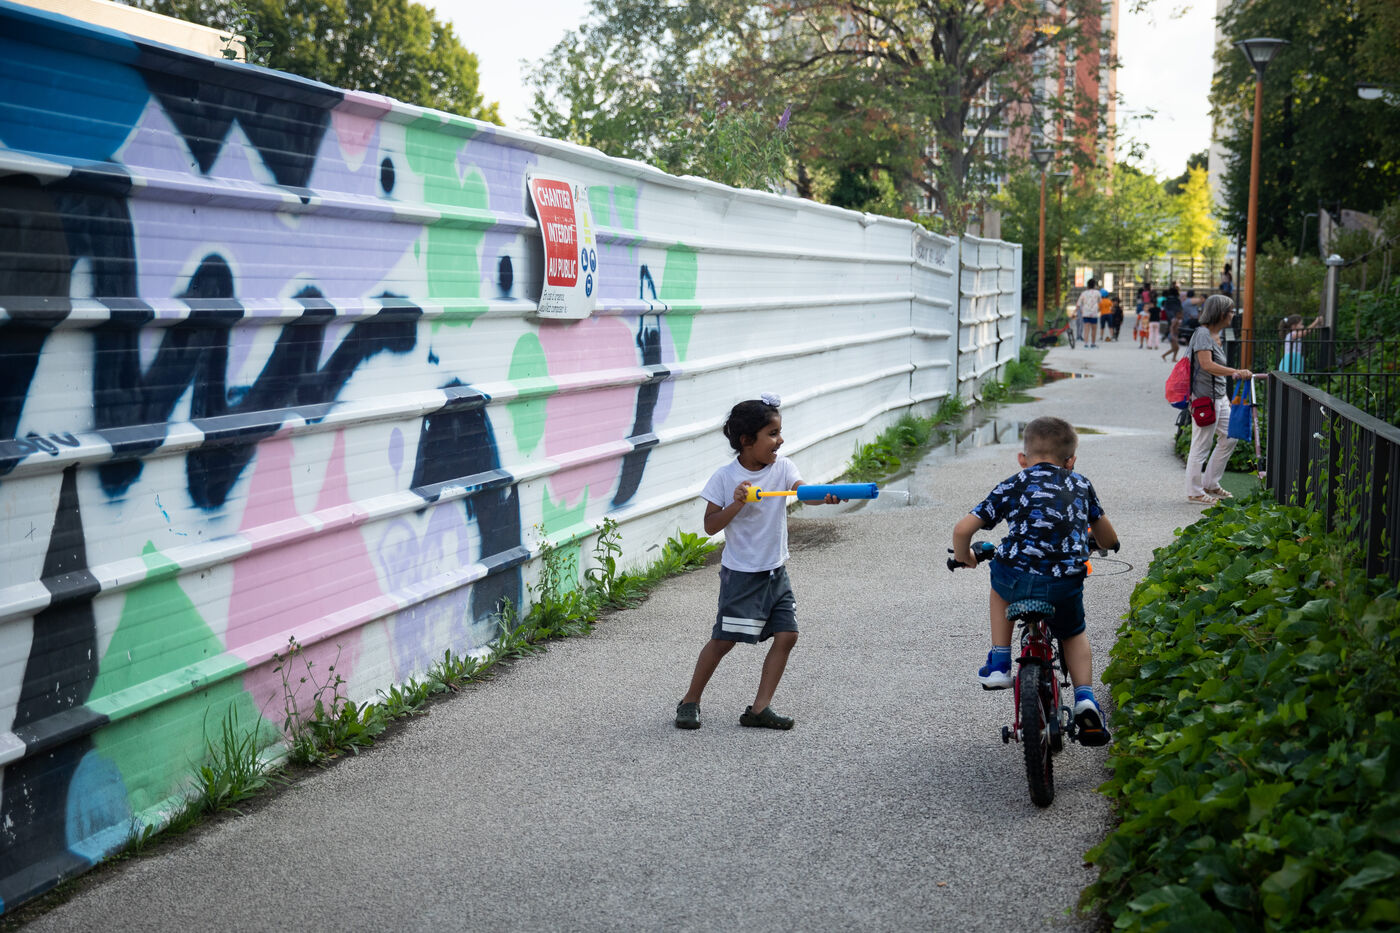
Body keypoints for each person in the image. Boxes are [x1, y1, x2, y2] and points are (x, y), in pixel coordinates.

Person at [675, 393, 840, 730]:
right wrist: (737, 503)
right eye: (772, 434)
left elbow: (803, 492)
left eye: (779, 432)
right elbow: (710, 526)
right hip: (742, 576)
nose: (780, 440)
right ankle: (690, 700)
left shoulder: (783, 468)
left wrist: (824, 496)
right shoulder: (725, 478)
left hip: (775, 572)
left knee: (787, 635)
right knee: (724, 640)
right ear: (746, 440)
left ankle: (759, 709)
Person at [951, 416, 1120, 746]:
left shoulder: (1013, 483)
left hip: (1016, 578)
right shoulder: (1081, 484)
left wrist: (965, 556)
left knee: (999, 583)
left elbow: (962, 530)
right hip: (1064, 584)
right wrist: (1104, 543)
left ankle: (1000, 662)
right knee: (1073, 632)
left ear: (1022, 458)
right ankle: (1085, 699)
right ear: (1071, 461)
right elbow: (1107, 537)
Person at [1185, 295, 1253, 505]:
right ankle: (1195, 491)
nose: (1233, 315)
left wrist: (1227, 389)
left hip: (1219, 396)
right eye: (1231, 311)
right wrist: (1235, 371)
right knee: (1201, 444)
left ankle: (1210, 483)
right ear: (1221, 313)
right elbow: (1207, 365)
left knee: (1230, 437)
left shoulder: (1215, 335)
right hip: (1205, 398)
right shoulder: (1203, 334)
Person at [1076, 280, 1101, 348]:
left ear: (1087, 285)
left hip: (1086, 313)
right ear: (1094, 285)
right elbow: (1099, 301)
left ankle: (1086, 343)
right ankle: (1093, 343)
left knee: (1086, 329)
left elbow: (1078, 303)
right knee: (1094, 329)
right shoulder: (1097, 293)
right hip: (1094, 313)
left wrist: (1078, 311)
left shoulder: (1083, 293)